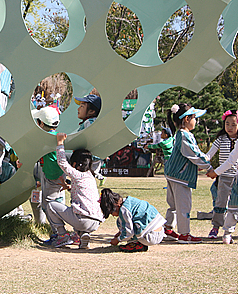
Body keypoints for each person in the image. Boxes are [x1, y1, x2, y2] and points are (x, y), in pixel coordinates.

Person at [163, 103, 213, 244]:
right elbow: (193, 154)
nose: (195, 121)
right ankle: (184, 234)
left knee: (173, 205)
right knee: (183, 205)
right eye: (194, 118)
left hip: (173, 174)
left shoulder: (181, 135)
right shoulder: (185, 135)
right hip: (180, 177)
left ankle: (168, 228)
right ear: (186, 119)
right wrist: (208, 167)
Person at [45, 133, 104, 249]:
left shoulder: (78, 175)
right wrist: (69, 187)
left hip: (82, 220)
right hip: (95, 222)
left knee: (51, 205)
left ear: (75, 164)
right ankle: (82, 236)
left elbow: (62, 162)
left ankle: (62, 236)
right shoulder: (90, 177)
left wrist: (60, 143)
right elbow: (84, 192)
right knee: (78, 211)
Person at [31, 105, 71, 245]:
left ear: (41, 123)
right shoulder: (56, 136)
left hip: (52, 177)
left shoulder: (45, 138)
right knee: (55, 204)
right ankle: (59, 233)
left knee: (49, 206)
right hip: (58, 175)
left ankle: (60, 234)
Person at [204, 110, 238, 239]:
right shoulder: (221, 139)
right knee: (220, 202)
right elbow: (209, 154)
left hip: (237, 176)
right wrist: (201, 162)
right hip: (224, 176)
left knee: (235, 204)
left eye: (233, 125)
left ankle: (230, 229)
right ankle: (216, 226)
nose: (229, 127)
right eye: (227, 124)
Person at [100, 188, 166, 252]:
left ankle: (136, 244)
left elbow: (129, 233)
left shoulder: (124, 210)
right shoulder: (130, 201)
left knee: (120, 222)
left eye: (111, 213)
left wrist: (117, 240)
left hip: (150, 237)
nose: (113, 215)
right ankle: (138, 243)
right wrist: (120, 233)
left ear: (116, 205)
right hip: (160, 231)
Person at [75, 93, 105, 181]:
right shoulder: (95, 122)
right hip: (95, 157)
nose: (78, 109)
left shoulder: (89, 122)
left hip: (88, 157)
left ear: (91, 111)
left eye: (82, 106)